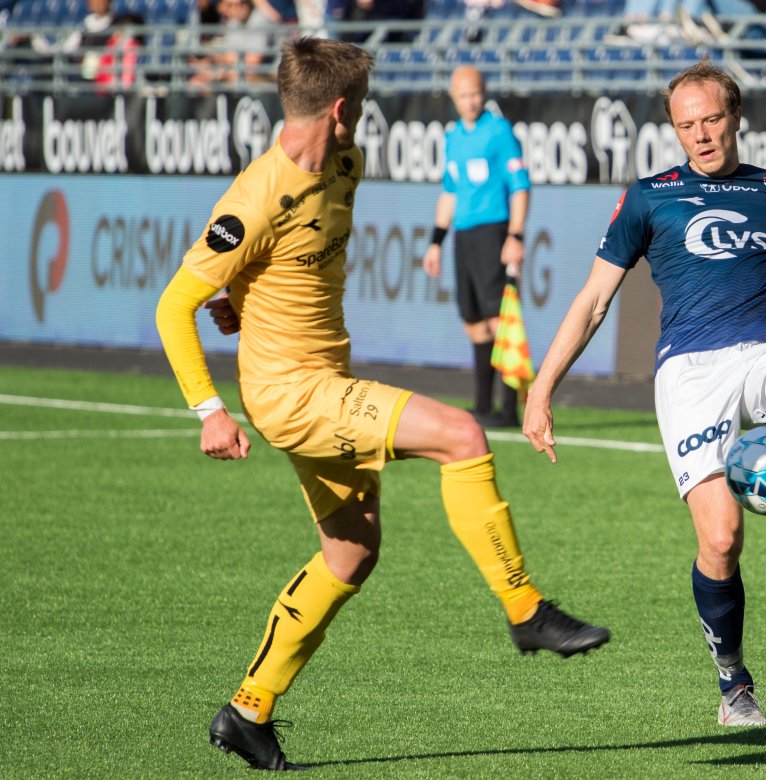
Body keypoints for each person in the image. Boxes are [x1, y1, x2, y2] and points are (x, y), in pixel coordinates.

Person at [156, 36, 609, 771]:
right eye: (360, 107)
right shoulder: (254, 196)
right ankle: (526, 610)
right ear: (340, 110)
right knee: (463, 435)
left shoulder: (344, 163)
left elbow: (281, 269)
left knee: (352, 552)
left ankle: (248, 709)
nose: (365, 119)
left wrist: (244, 298)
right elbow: (174, 305)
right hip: (293, 396)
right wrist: (208, 409)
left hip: (320, 378)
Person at [523, 58, 766, 727]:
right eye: (687, 125)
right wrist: (541, 389)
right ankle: (734, 686)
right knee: (721, 541)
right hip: (691, 373)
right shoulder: (649, 196)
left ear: (736, 116)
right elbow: (594, 299)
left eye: (712, 119)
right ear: (674, 129)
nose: (701, 135)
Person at [423, 65, 531, 430]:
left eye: (475, 94)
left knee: (499, 319)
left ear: (483, 93)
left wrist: (515, 235)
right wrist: (436, 241)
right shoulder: (454, 136)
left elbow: (520, 185)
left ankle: (508, 408)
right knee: (473, 322)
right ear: (453, 97)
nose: (470, 101)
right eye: (463, 95)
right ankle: (483, 405)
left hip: (493, 231)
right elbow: (450, 190)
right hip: (464, 235)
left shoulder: (499, 132)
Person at [188, 0, 279, 88]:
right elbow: (228, 55)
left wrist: (217, 74)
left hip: (270, 79)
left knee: (217, 81)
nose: (237, 8)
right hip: (247, 76)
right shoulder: (234, 23)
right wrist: (209, 62)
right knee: (198, 82)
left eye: (241, 2)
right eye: (231, 5)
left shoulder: (260, 20)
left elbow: (252, 64)